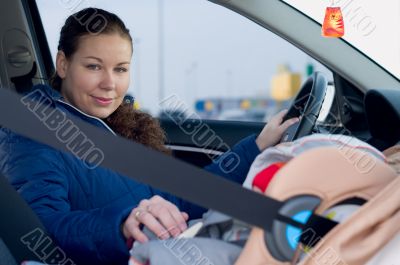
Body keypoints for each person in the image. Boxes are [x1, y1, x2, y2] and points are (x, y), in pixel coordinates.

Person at [0, 7, 298, 265]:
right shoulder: (34, 131)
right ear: (63, 64)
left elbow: (176, 197)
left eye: (120, 69)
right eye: (93, 66)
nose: (109, 83)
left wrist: (256, 147)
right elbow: (40, 228)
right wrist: (123, 225)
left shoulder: (103, 124)